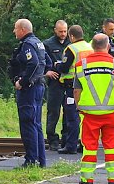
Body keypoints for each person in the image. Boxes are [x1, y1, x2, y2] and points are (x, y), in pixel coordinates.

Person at [74, 33, 114, 184]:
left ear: (92, 46)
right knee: (111, 147)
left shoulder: (81, 65)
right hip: (112, 113)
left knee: (89, 147)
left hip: (89, 114)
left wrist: (79, 106)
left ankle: (87, 179)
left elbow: (76, 91)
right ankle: (113, 179)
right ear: (108, 46)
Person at [9, 18, 48, 167]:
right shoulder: (39, 43)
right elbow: (47, 62)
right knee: (36, 124)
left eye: (15, 28)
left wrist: (23, 81)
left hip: (29, 89)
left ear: (22, 30)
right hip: (38, 87)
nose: (14, 31)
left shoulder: (27, 45)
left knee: (28, 123)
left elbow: (34, 63)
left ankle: (31, 160)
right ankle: (40, 160)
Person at [50, 25, 93, 154]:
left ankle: (71, 145)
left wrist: (57, 65)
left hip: (72, 86)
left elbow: (64, 68)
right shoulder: (90, 47)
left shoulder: (71, 49)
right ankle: (85, 144)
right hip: (88, 85)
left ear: (71, 36)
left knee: (72, 117)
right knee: (86, 117)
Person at [43, 20, 70, 151]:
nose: (63, 34)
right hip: (55, 82)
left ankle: (66, 138)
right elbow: (41, 61)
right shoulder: (47, 44)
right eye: (60, 31)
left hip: (69, 83)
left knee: (69, 111)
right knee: (53, 111)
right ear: (55, 30)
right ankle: (52, 139)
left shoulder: (71, 44)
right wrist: (46, 72)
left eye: (65, 31)